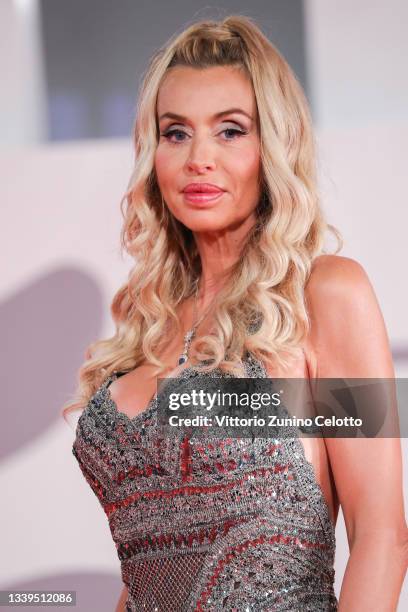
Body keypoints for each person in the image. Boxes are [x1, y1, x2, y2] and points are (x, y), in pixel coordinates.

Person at [63, 14, 407, 612]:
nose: (199, 158)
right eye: (176, 133)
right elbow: (151, 569)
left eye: (230, 130)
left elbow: (382, 536)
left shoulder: (329, 294)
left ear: (274, 144)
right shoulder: (150, 319)